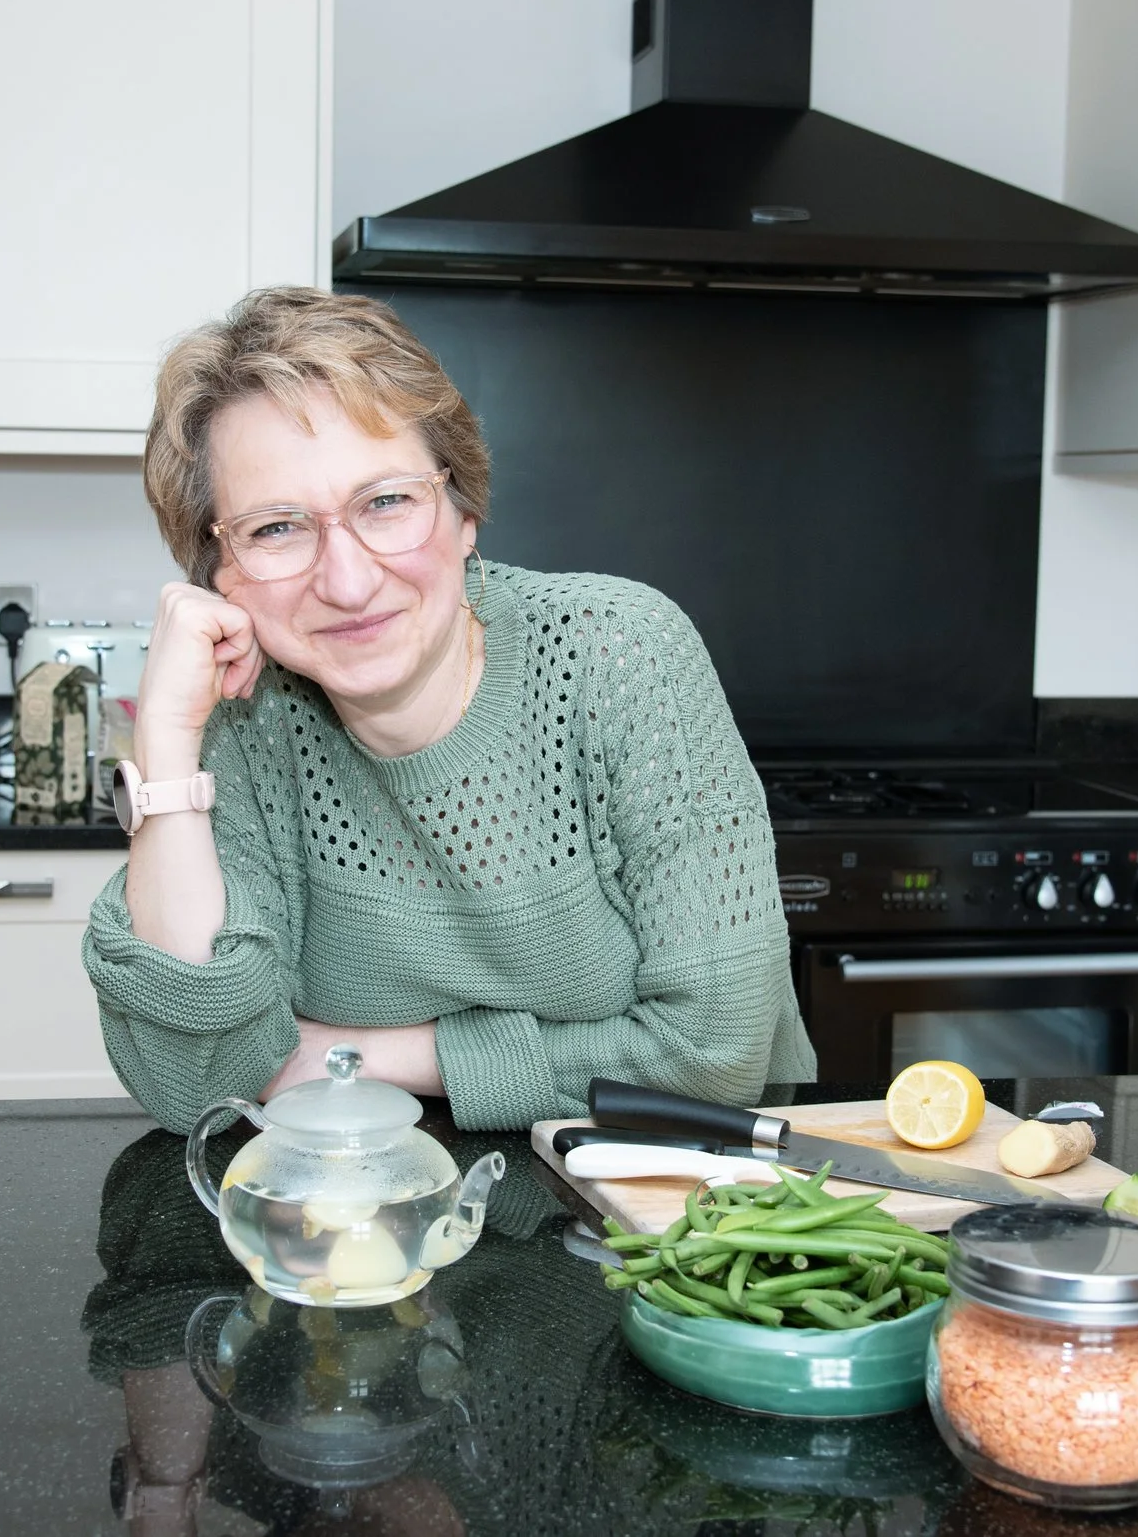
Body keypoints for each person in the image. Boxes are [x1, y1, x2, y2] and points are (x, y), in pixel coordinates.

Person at [83, 286, 815, 1131]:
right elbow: (196, 1084)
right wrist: (169, 743)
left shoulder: (621, 652)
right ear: (220, 572)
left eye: (386, 501)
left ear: (464, 511)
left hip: (660, 1203)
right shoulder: (243, 719)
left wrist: (357, 1056)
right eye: (278, 528)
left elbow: (716, 1052)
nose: (348, 580)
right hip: (359, 1220)